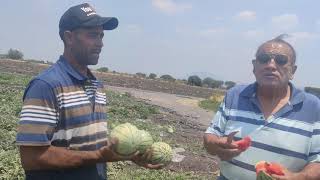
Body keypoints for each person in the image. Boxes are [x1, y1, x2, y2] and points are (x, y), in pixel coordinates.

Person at [16, 3, 161, 180]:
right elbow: (31, 158)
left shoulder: (97, 85)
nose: (100, 43)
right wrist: (98, 157)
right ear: (69, 37)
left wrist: (129, 154)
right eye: (93, 35)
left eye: (101, 36)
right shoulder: (46, 86)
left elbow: (92, 145)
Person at [203, 35, 320, 180]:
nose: (271, 65)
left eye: (281, 60)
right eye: (264, 59)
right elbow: (210, 136)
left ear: (293, 71)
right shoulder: (235, 95)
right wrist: (216, 144)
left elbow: (318, 160)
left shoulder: (313, 107)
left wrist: (299, 177)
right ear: (254, 66)